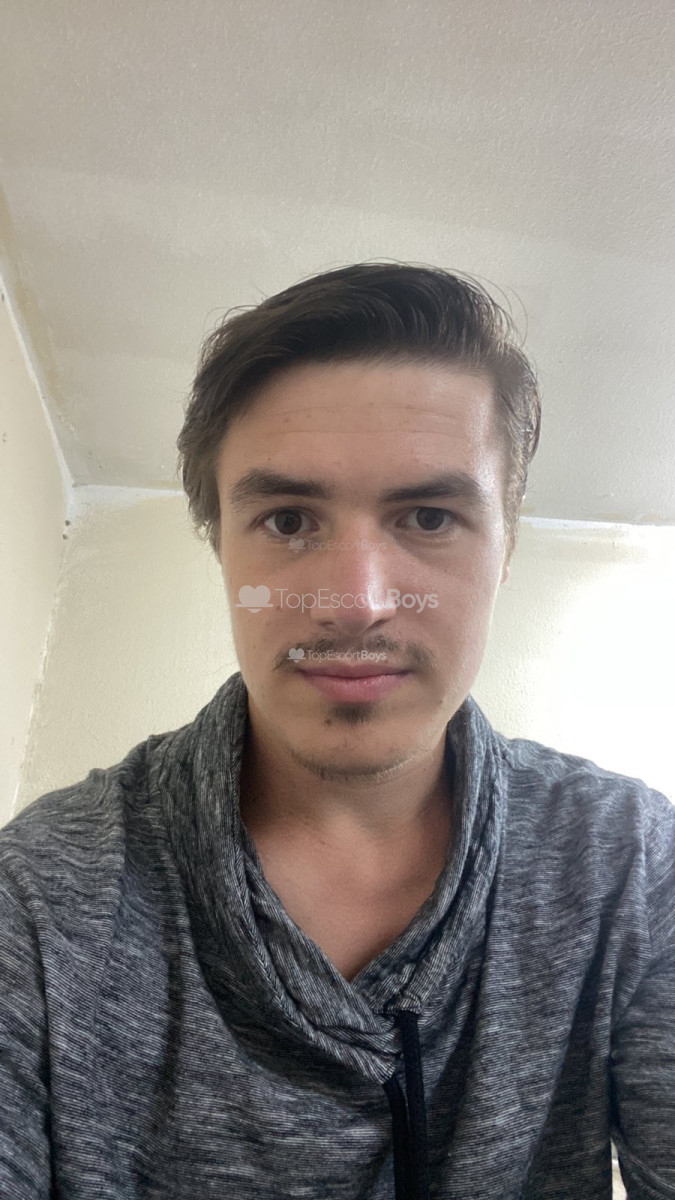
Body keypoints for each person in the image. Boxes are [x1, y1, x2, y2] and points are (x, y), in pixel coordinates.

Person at [1, 262, 673, 1199]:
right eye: (287, 520)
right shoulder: (39, 897)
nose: (355, 603)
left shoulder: (630, 866)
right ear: (220, 544)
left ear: (506, 547)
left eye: (428, 516)